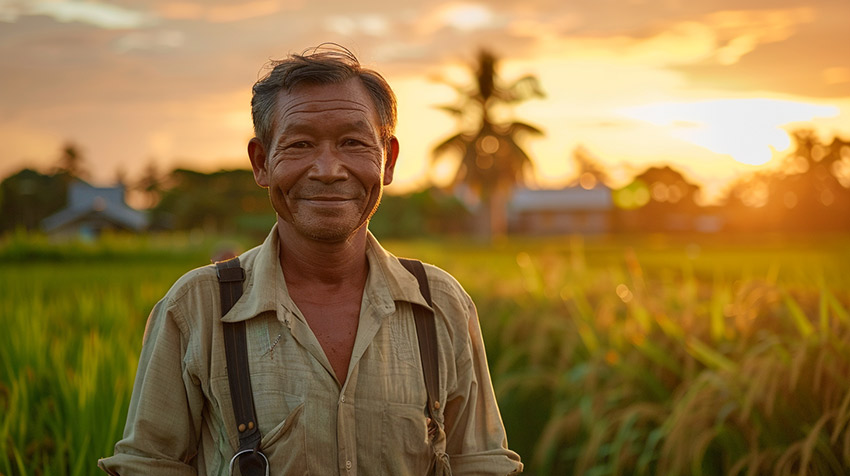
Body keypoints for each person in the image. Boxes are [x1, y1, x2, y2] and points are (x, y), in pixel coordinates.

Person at [98, 44, 522, 475]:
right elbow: (149, 466)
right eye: (299, 144)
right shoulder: (196, 308)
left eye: (353, 142)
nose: (327, 169)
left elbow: (480, 463)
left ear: (388, 161)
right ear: (261, 163)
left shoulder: (441, 304)